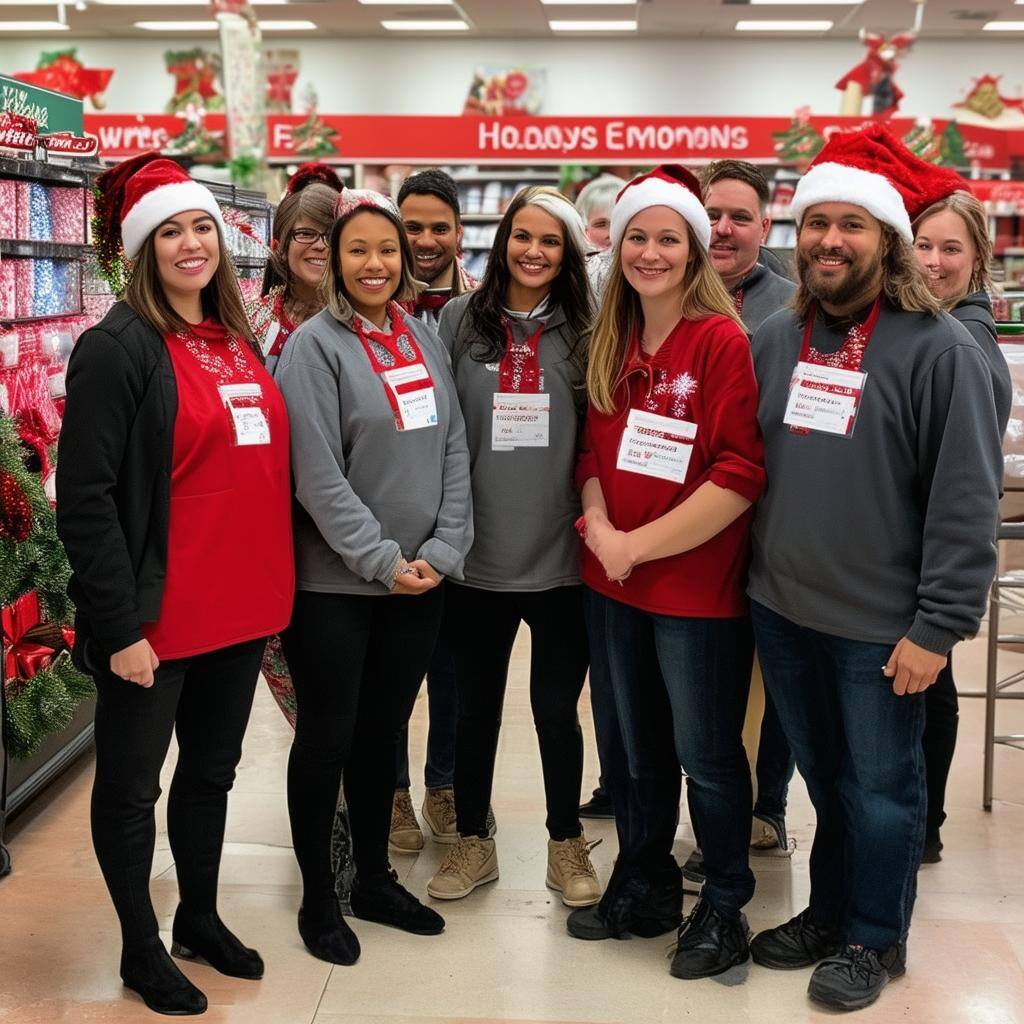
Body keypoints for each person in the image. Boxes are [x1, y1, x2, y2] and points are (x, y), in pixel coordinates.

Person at [748, 125, 1002, 1012]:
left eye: (852, 224)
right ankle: (828, 912)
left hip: (882, 628)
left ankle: (874, 938)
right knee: (825, 780)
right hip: (783, 610)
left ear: (886, 239)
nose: (830, 241)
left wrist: (937, 627)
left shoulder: (940, 351)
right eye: (817, 222)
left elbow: (965, 501)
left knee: (885, 790)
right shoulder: (777, 341)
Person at [57, 153, 294, 1016]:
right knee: (130, 790)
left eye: (201, 227)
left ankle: (198, 916)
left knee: (212, 773)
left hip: (240, 606)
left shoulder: (234, 335)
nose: (191, 244)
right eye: (169, 231)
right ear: (139, 247)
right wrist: (118, 628)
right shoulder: (116, 349)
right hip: (157, 623)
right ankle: (139, 947)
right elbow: (82, 502)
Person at [567, 165, 766, 982]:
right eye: (638, 236)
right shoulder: (611, 339)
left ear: (694, 252)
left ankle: (723, 901)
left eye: (668, 239)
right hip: (611, 578)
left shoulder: (718, 341)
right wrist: (603, 530)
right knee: (633, 750)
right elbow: (589, 455)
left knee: (707, 754)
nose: (650, 253)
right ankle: (644, 880)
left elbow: (738, 473)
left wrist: (634, 546)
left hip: (691, 589)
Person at [274, 187, 473, 965]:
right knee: (327, 735)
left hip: (420, 582)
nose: (375, 263)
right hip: (337, 589)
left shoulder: (421, 335)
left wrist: (446, 549)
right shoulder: (312, 347)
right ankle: (321, 896)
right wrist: (382, 562)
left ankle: (373, 880)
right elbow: (316, 477)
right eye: (358, 249)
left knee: (383, 732)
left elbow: (454, 446)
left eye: (386, 250)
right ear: (332, 257)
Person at [425, 186, 601, 908]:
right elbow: (434, 432)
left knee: (558, 712)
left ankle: (566, 843)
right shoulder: (458, 320)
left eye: (550, 241)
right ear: (502, 242)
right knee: (473, 711)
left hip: (562, 561)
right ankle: (474, 840)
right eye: (521, 236)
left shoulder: (590, 328)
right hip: (475, 556)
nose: (533, 251)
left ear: (567, 255)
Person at [701, 159, 798, 859]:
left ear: (766, 225)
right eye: (713, 215)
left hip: (771, 532)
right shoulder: (670, 294)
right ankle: (710, 811)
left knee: (775, 681)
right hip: (691, 532)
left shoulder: (795, 307)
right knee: (712, 686)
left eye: (739, 216)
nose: (724, 228)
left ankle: (768, 806)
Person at [912, 187, 1012, 863]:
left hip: (927, 554)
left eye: (952, 249)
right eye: (924, 245)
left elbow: (967, 482)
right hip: (911, 550)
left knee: (930, 687)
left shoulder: (966, 343)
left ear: (977, 262)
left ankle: (926, 824)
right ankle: (926, 822)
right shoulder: (923, 328)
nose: (935, 262)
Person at [387, 168, 483, 854]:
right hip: (384, 521)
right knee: (389, 674)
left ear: (459, 232)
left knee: (453, 670)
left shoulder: (482, 308)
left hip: (457, 522)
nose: (424, 240)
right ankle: (390, 792)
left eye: (437, 227)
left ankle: (443, 787)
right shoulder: (367, 304)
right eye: (411, 226)